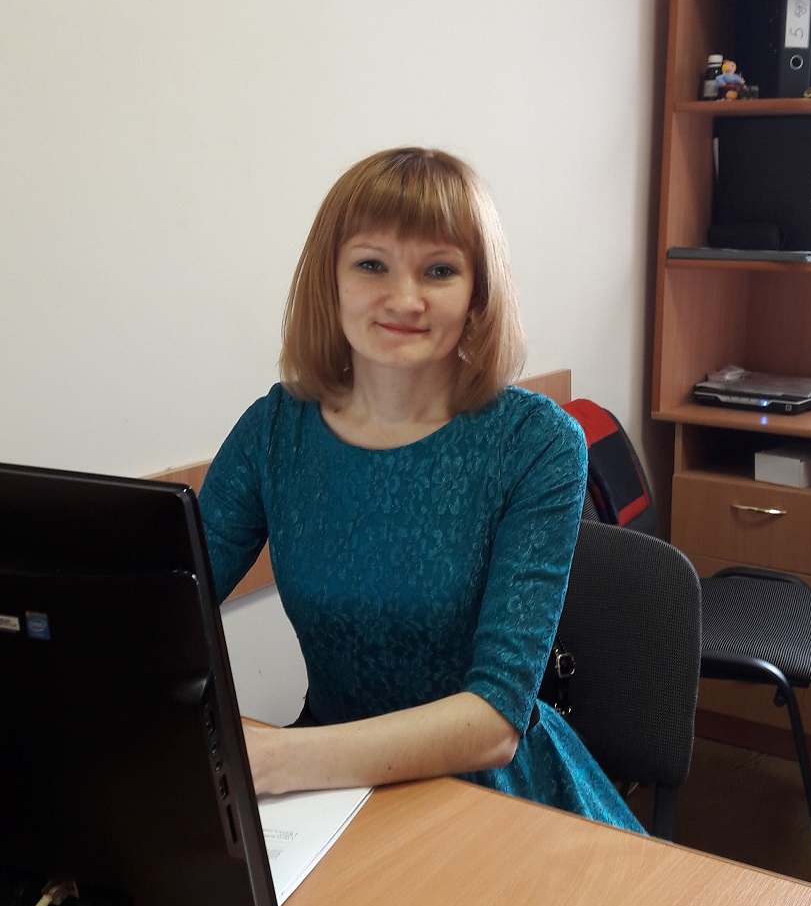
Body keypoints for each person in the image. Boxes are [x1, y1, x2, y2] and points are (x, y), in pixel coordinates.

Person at [199, 147, 642, 832]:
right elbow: (164, 605)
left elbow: (495, 720)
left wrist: (278, 759)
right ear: (330, 280)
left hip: (491, 793)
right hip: (332, 787)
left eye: (439, 270)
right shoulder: (274, 431)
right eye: (371, 265)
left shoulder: (536, 443)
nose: (405, 300)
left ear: (477, 293)